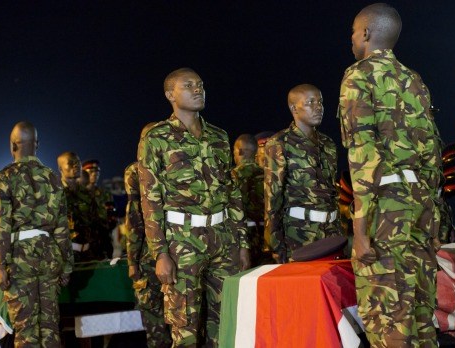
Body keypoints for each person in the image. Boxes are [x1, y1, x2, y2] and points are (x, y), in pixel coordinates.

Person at [338, 4, 442, 346]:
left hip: (385, 209)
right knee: (419, 312)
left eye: (354, 32)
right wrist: (433, 216)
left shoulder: (359, 74)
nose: (352, 39)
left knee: (386, 317)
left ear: (366, 34)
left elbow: (363, 155)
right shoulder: (415, 80)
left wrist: (361, 229)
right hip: (420, 206)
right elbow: (432, 153)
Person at [138, 67, 250, 347]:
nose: (198, 89)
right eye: (188, 85)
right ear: (170, 94)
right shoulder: (156, 138)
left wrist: (241, 243)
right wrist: (160, 253)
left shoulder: (219, 136)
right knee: (185, 330)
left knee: (225, 326)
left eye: (200, 84)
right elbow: (150, 200)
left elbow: (232, 192)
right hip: (182, 243)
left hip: (222, 240)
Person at [0, 121, 73, 347]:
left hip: (20, 259)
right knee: (50, 326)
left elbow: (1, 224)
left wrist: (1, 266)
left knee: (25, 328)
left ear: (12, 145)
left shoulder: (4, 177)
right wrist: (66, 265)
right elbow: (61, 226)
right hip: (49, 257)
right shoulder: (53, 178)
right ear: (37, 145)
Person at [264, 84, 340, 263]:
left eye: (320, 102)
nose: (318, 107)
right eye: (310, 102)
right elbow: (273, 197)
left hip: (332, 231)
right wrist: (274, 243)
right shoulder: (279, 143)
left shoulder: (328, 144)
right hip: (299, 234)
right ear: (294, 108)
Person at [125, 158, 172, 348]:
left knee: (154, 320)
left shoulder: (135, 169)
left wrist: (132, 261)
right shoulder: (176, 163)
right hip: (180, 251)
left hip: (149, 254)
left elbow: (134, 219)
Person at [57, 151, 104, 261]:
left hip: (89, 255)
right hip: (64, 256)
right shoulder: (54, 194)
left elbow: (96, 224)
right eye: (71, 163)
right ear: (60, 168)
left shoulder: (86, 194)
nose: (76, 165)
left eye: (78, 162)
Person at [232, 134, 268, 266]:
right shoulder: (268, 177)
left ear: (239, 151)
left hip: (244, 241)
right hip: (267, 239)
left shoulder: (233, 177)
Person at [82, 159, 114, 258]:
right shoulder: (77, 194)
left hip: (103, 241)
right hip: (83, 242)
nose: (95, 174)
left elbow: (112, 218)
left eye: (97, 171)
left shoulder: (105, 194)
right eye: (91, 171)